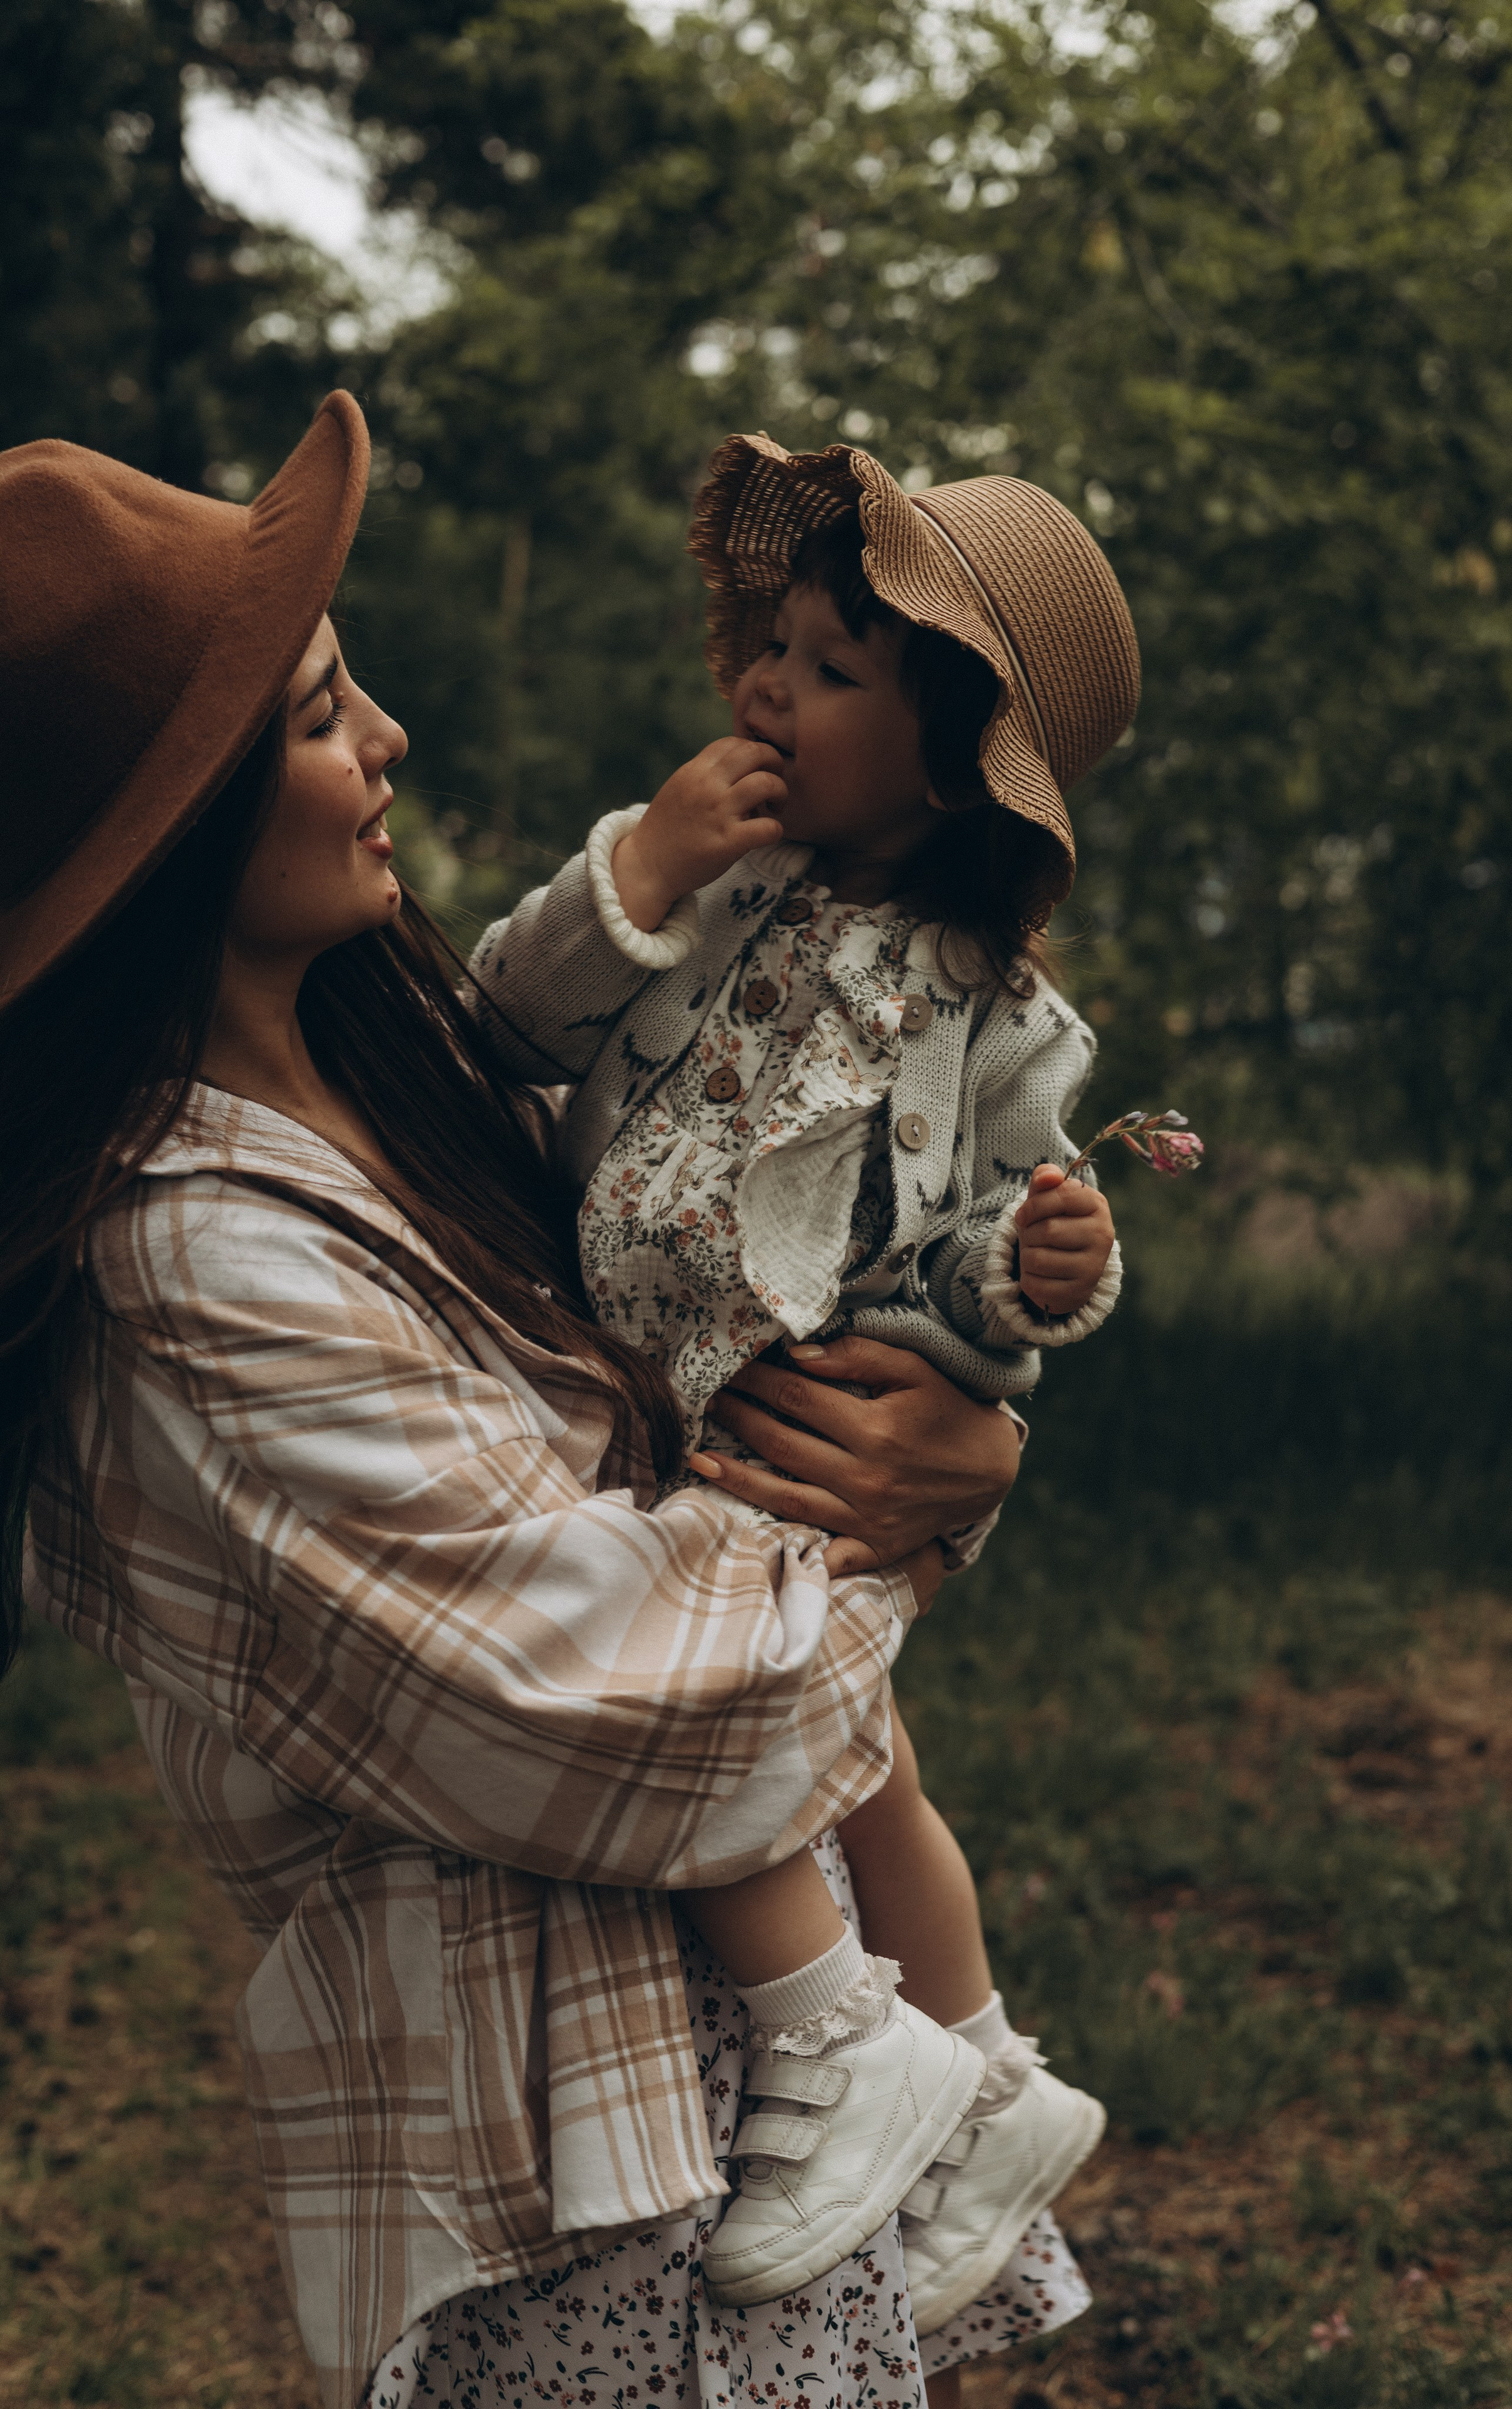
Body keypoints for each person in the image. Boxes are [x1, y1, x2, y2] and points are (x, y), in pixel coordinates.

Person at [0, 396, 1085, 2409]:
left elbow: (727, 1299)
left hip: (742, 2121)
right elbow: (639, 1691)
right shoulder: (194, 1261)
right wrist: (913, 1512)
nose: (388, 745)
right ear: (179, 819)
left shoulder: (416, 1100)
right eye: (316, 715)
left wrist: (962, 1427)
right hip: (577, 2205)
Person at [470, 433, 1139, 2321]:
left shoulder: (1000, 1020)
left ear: (948, 764)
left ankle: (839, 2050)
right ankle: (989, 2082)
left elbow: (996, 1247)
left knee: (734, 1726)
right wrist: (648, 861)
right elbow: (507, 1024)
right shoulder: (713, 879)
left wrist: (1047, 1275)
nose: (765, 685)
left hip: (805, 1425)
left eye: (830, 669)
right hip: (650, 1394)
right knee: (852, 1767)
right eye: (770, 644)